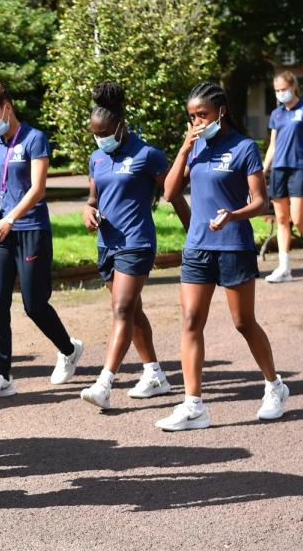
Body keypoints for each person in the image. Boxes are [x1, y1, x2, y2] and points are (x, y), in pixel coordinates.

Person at [159, 81, 287, 431]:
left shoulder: (244, 148)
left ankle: (275, 386)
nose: (197, 121)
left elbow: (261, 202)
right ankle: (193, 405)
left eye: (203, 114)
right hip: (198, 247)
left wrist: (233, 214)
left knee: (243, 322)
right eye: (191, 116)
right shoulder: (195, 148)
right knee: (189, 322)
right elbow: (170, 192)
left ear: (221, 112)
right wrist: (184, 150)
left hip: (234, 245)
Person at [0, 72, 83, 400]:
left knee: (34, 304)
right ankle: (2, 375)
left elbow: (36, 189)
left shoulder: (35, 139)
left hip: (30, 227)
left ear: (8, 107)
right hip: (0, 231)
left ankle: (69, 348)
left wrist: (11, 219)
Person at [79, 82, 190, 410]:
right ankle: (155, 374)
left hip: (137, 242)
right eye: (95, 134)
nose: (100, 140)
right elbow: (93, 197)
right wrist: (88, 209)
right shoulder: (96, 158)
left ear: (121, 127)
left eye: (105, 133)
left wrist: (196, 233)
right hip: (107, 243)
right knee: (133, 310)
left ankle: (104, 383)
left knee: (122, 309)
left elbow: (173, 193)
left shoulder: (147, 155)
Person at [262, 71, 303, 283]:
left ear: (293, 86)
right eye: (277, 90)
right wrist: (264, 169)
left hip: (299, 167)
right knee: (282, 219)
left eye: (283, 89)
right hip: (279, 170)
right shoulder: (276, 114)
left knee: (298, 218)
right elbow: (273, 145)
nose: (281, 93)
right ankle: (284, 268)